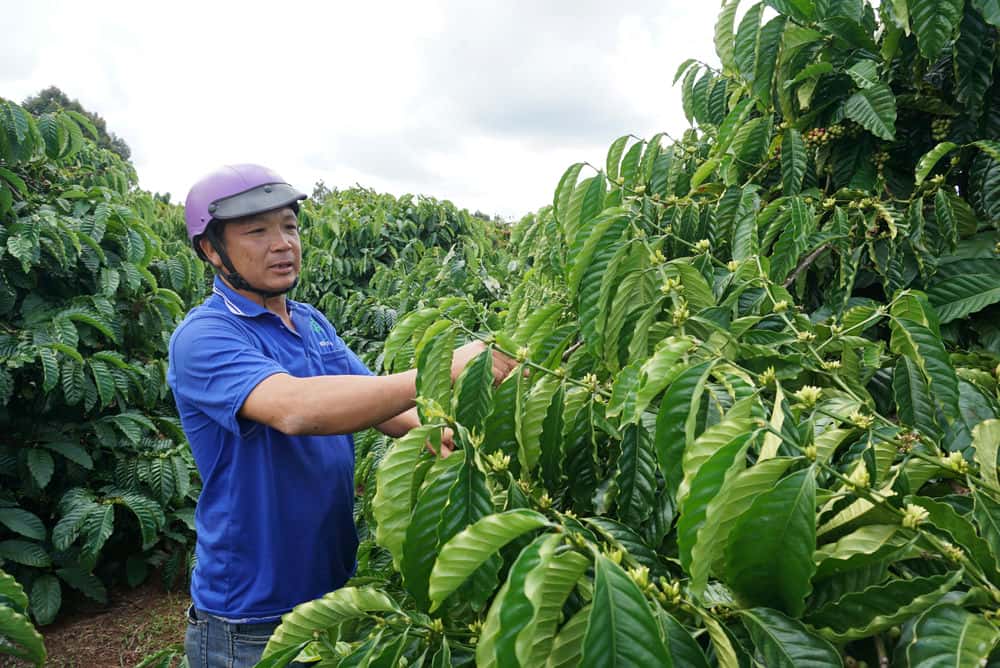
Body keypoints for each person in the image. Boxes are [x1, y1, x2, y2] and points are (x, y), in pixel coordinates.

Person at [167, 164, 515, 668]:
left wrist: (459, 435)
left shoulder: (310, 323)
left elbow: (384, 405)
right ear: (210, 250)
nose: (282, 243)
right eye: (257, 231)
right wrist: (447, 364)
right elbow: (297, 410)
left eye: (289, 225)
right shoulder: (205, 337)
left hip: (331, 595)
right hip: (252, 615)